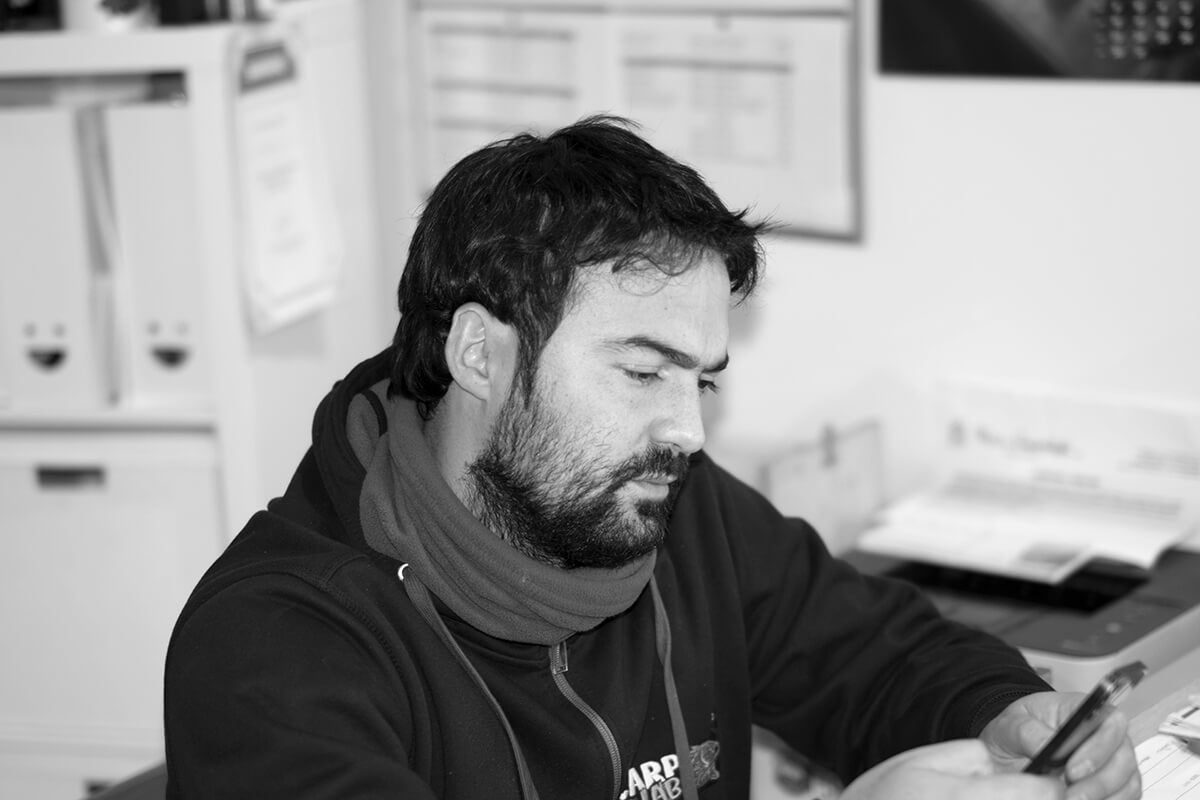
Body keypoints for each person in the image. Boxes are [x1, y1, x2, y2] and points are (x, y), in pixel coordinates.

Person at [163, 116, 1140, 800]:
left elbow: (880, 654)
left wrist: (1012, 714)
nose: (689, 432)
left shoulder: (671, 506)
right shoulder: (272, 647)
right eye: (642, 371)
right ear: (480, 354)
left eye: (701, 381)